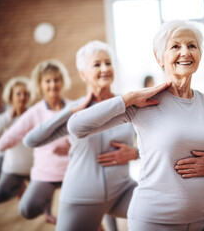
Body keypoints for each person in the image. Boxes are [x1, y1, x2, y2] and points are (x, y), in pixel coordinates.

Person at [67, 20, 204, 231]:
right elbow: (77, 126)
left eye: (192, 46)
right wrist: (127, 98)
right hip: (154, 222)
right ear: (159, 57)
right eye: (175, 46)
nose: (185, 52)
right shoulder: (141, 103)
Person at [23, 41, 138, 231]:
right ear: (83, 75)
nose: (105, 68)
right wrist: (69, 112)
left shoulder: (128, 105)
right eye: (97, 64)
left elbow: (156, 142)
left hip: (122, 192)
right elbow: (31, 140)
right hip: (81, 197)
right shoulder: (76, 112)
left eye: (108, 63)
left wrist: (135, 153)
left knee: (167, 215)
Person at [0, 60, 71, 224]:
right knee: (26, 209)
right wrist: (3, 147)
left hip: (72, 171)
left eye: (56, 80)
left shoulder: (73, 107)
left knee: (75, 217)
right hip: (45, 172)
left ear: (62, 81)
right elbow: (7, 139)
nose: (52, 85)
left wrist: (71, 146)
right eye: (47, 81)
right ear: (40, 84)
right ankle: (46, 199)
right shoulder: (35, 112)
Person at [0, 77, 33, 203]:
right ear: (11, 96)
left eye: (25, 94)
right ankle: (19, 186)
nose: (22, 97)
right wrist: (5, 142)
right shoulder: (4, 117)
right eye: (18, 94)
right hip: (7, 157)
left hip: (27, 158)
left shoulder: (33, 113)